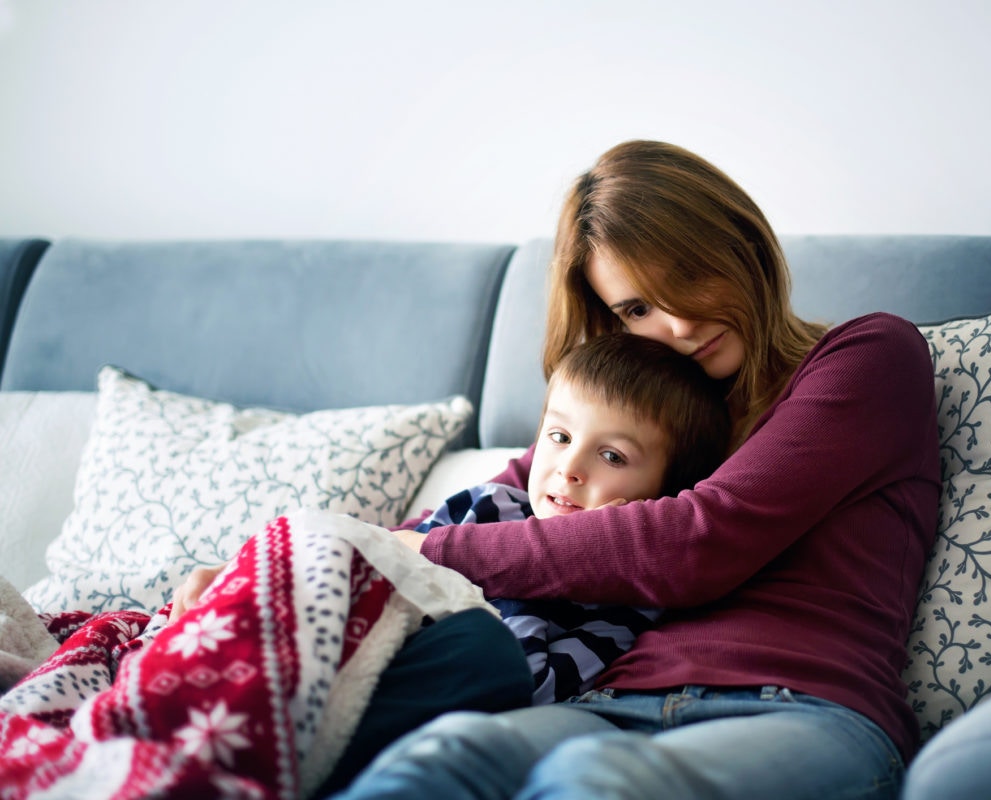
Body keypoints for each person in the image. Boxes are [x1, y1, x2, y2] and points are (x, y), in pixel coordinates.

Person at [322, 139, 943, 800]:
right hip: (603, 702)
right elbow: (461, 516)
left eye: (689, 276)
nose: (677, 324)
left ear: (743, 243)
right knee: (446, 753)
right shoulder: (625, 427)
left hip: (801, 707)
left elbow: (697, 543)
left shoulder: (869, 356)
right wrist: (271, 575)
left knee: (593, 780)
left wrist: (429, 549)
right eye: (636, 309)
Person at [412, 331, 732, 707]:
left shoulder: (624, 604)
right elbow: (382, 573)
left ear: (662, 497)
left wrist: (529, 569)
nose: (570, 468)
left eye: (612, 456)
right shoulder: (485, 504)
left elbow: (529, 686)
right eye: (560, 436)